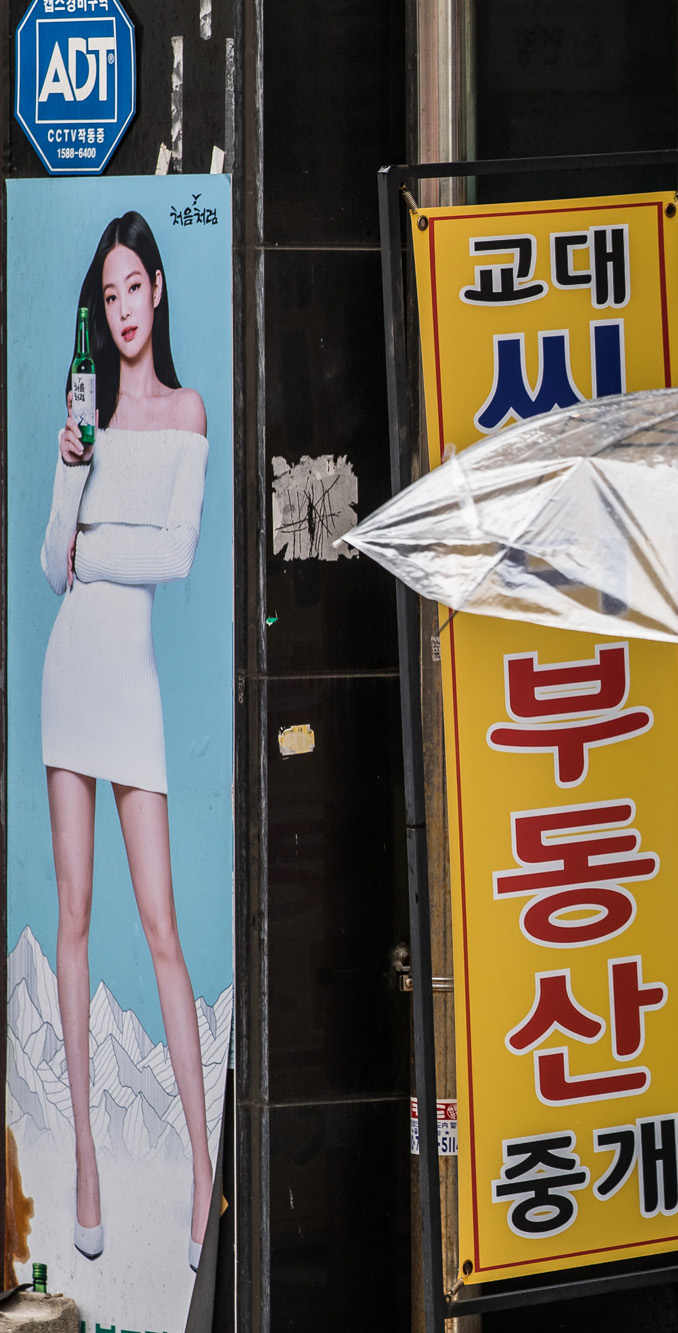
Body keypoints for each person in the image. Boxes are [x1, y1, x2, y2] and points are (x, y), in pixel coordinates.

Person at [41, 211, 213, 1273]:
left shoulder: (186, 410)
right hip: (71, 671)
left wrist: (107, 534)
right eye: (107, 297)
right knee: (72, 920)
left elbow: (177, 555)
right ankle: (90, 1166)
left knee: (159, 926)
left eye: (133, 288)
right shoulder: (85, 411)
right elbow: (56, 567)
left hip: (134, 683)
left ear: (158, 289)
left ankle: (204, 1164)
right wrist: (73, 479)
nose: (123, 309)